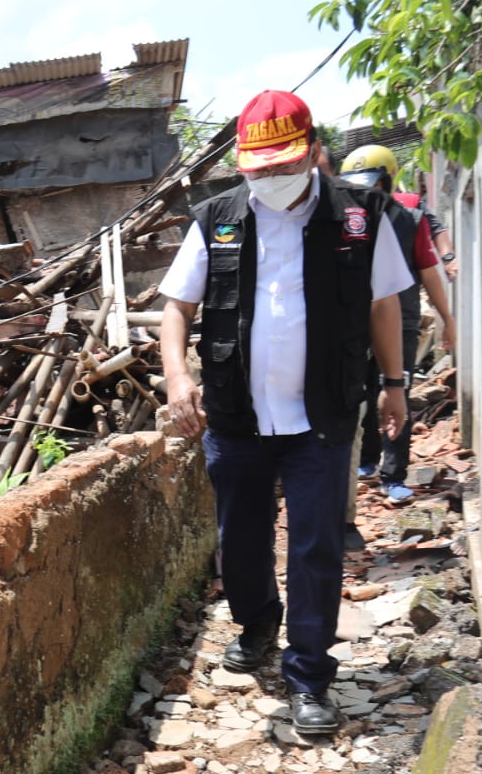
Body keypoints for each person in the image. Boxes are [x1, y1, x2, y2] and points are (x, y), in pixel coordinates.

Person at [159, 91, 412, 736]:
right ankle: (256, 626)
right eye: (259, 169)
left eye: (283, 167)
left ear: (314, 155)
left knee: (315, 545)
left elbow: (385, 305)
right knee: (239, 540)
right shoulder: (216, 217)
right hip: (238, 414)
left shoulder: (361, 217)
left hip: (323, 414)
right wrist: (178, 376)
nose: (270, 180)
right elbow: (177, 308)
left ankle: (309, 675)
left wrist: (393, 384)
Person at [340, 145, 456, 503]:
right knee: (360, 391)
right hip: (356, 319)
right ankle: (368, 460)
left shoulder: (410, 216)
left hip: (400, 319)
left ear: (388, 182)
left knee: (396, 391)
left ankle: (394, 475)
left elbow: (427, 270)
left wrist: (447, 319)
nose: (365, 194)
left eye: (372, 185)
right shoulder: (342, 217)